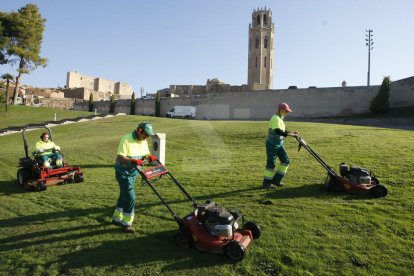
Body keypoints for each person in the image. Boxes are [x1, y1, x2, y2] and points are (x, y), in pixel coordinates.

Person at [112, 122, 158, 233]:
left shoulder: (144, 141)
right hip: (123, 172)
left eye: (148, 135)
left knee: (124, 194)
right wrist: (133, 161)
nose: (147, 137)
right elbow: (121, 158)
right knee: (131, 197)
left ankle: (116, 218)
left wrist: (149, 157)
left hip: (134, 173)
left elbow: (145, 154)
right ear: (139, 130)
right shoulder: (126, 139)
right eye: (146, 134)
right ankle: (126, 224)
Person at [263, 102, 299, 189]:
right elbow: (277, 131)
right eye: (286, 111)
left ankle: (276, 180)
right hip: (272, 144)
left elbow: (282, 130)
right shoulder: (275, 118)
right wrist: (291, 135)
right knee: (271, 163)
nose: (287, 113)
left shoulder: (280, 118)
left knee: (286, 161)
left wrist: (291, 133)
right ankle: (266, 183)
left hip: (279, 144)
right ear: (281, 110)